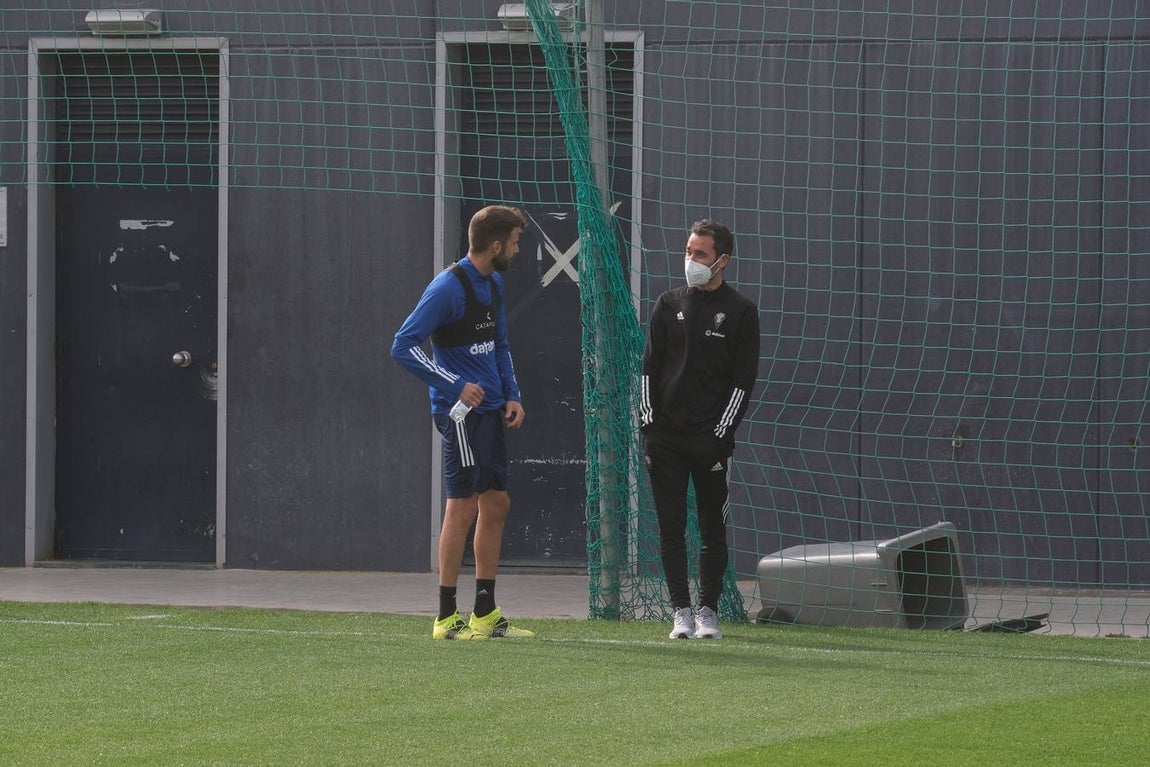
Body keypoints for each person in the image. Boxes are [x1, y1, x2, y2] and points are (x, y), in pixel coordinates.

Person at [391, 204, 534, 640]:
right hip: (460, 416)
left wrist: (512, 393)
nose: (517, 248)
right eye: (514, 242)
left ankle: (485, 614)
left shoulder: (494, 282)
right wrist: (455, 385)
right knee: (464, 505)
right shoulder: (446, 288)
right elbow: (403, 345)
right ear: (495, 245)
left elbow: (500, 344)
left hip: (491, 411)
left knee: (496, 504)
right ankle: (445, 617)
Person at [640, 219, 761, 639]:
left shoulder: (742, 311)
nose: (691, 260)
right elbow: (649, 368)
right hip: (666, 438)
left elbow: (743, 379)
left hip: (711, 441)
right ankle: (681, 613)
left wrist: (721, 433)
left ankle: (708, 611)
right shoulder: (667, 303)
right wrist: (649, 424)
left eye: (700, 254)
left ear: (722, 260)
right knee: (670, 526)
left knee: (712, 527)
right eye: (688, 251)